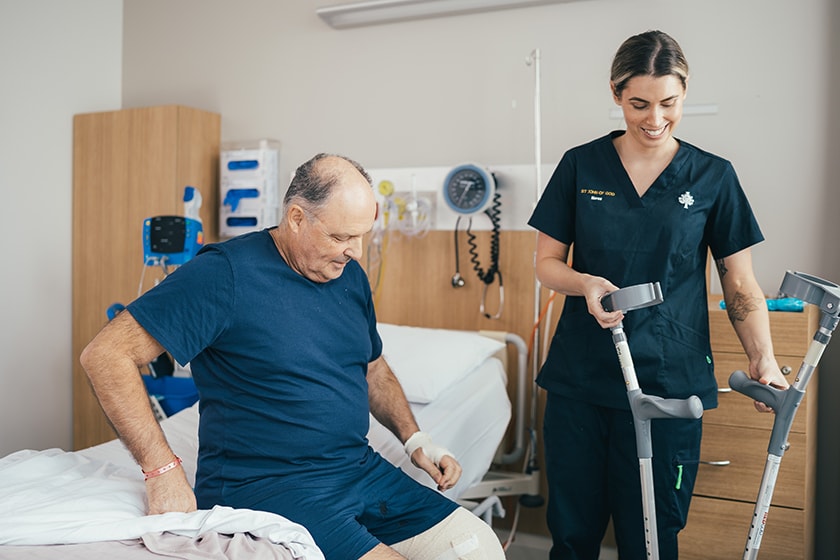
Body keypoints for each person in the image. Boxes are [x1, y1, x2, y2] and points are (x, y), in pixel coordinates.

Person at [80, 153, 505, 560]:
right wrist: (161, 470)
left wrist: (416, 440)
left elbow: (372, 368)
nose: (355, 251)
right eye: (341, 237)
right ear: (297, 218)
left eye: (361, 235)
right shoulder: (225, 274)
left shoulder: (349, 275)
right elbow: (106, 355)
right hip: (266, 486)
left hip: (357, 471)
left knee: (477, 547)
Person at [527, 30, 789, 560]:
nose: (655, 118)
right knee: (572, 536)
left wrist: (764, 360)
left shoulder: (713, 176)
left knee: (651, 536)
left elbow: (739, 284)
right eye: (639, 104)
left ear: (684, 92)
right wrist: (585, 283)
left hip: (670, 382)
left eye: (669, 103)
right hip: (582, 378)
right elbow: (546, 264)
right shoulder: (580, 165)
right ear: (616, 93)